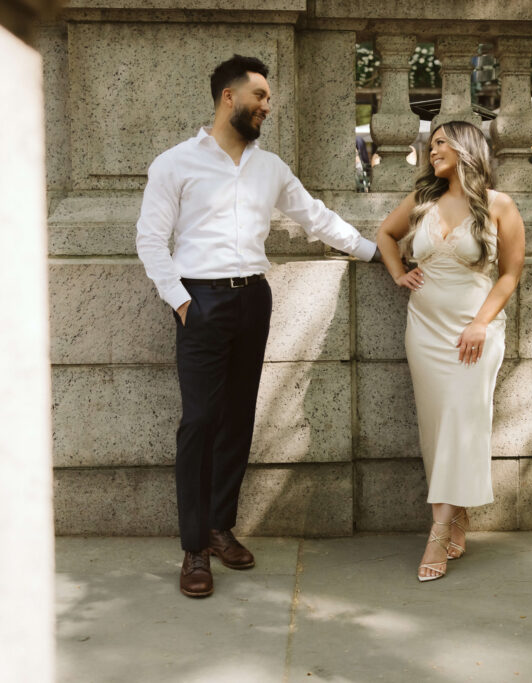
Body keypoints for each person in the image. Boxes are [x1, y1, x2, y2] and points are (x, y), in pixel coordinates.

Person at [136, 55, 379, 598]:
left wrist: (373, 253)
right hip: (199, 301)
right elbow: (150, 240)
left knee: (238, 417)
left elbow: (315, 216)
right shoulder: (175, 163)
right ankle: (194, 548)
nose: (268, 106)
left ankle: (221, 527)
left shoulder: (270, 168)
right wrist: (181, 303)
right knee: (199, 422)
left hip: (253, 301)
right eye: (261, 97)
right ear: (230, 97)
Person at [376, 120, 525, 582]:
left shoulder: (499, 205)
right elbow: (385, 235)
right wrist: (400, 271)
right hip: (424, 329)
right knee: (438, 426)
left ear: (465, 148)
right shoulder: (422, 202)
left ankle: (439, 531)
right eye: (431, 143)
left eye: (441, 143)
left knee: (463, 420)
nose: (432, 149)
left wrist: (480, 323)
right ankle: (456, 516)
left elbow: (510, 273)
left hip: (473, 332)